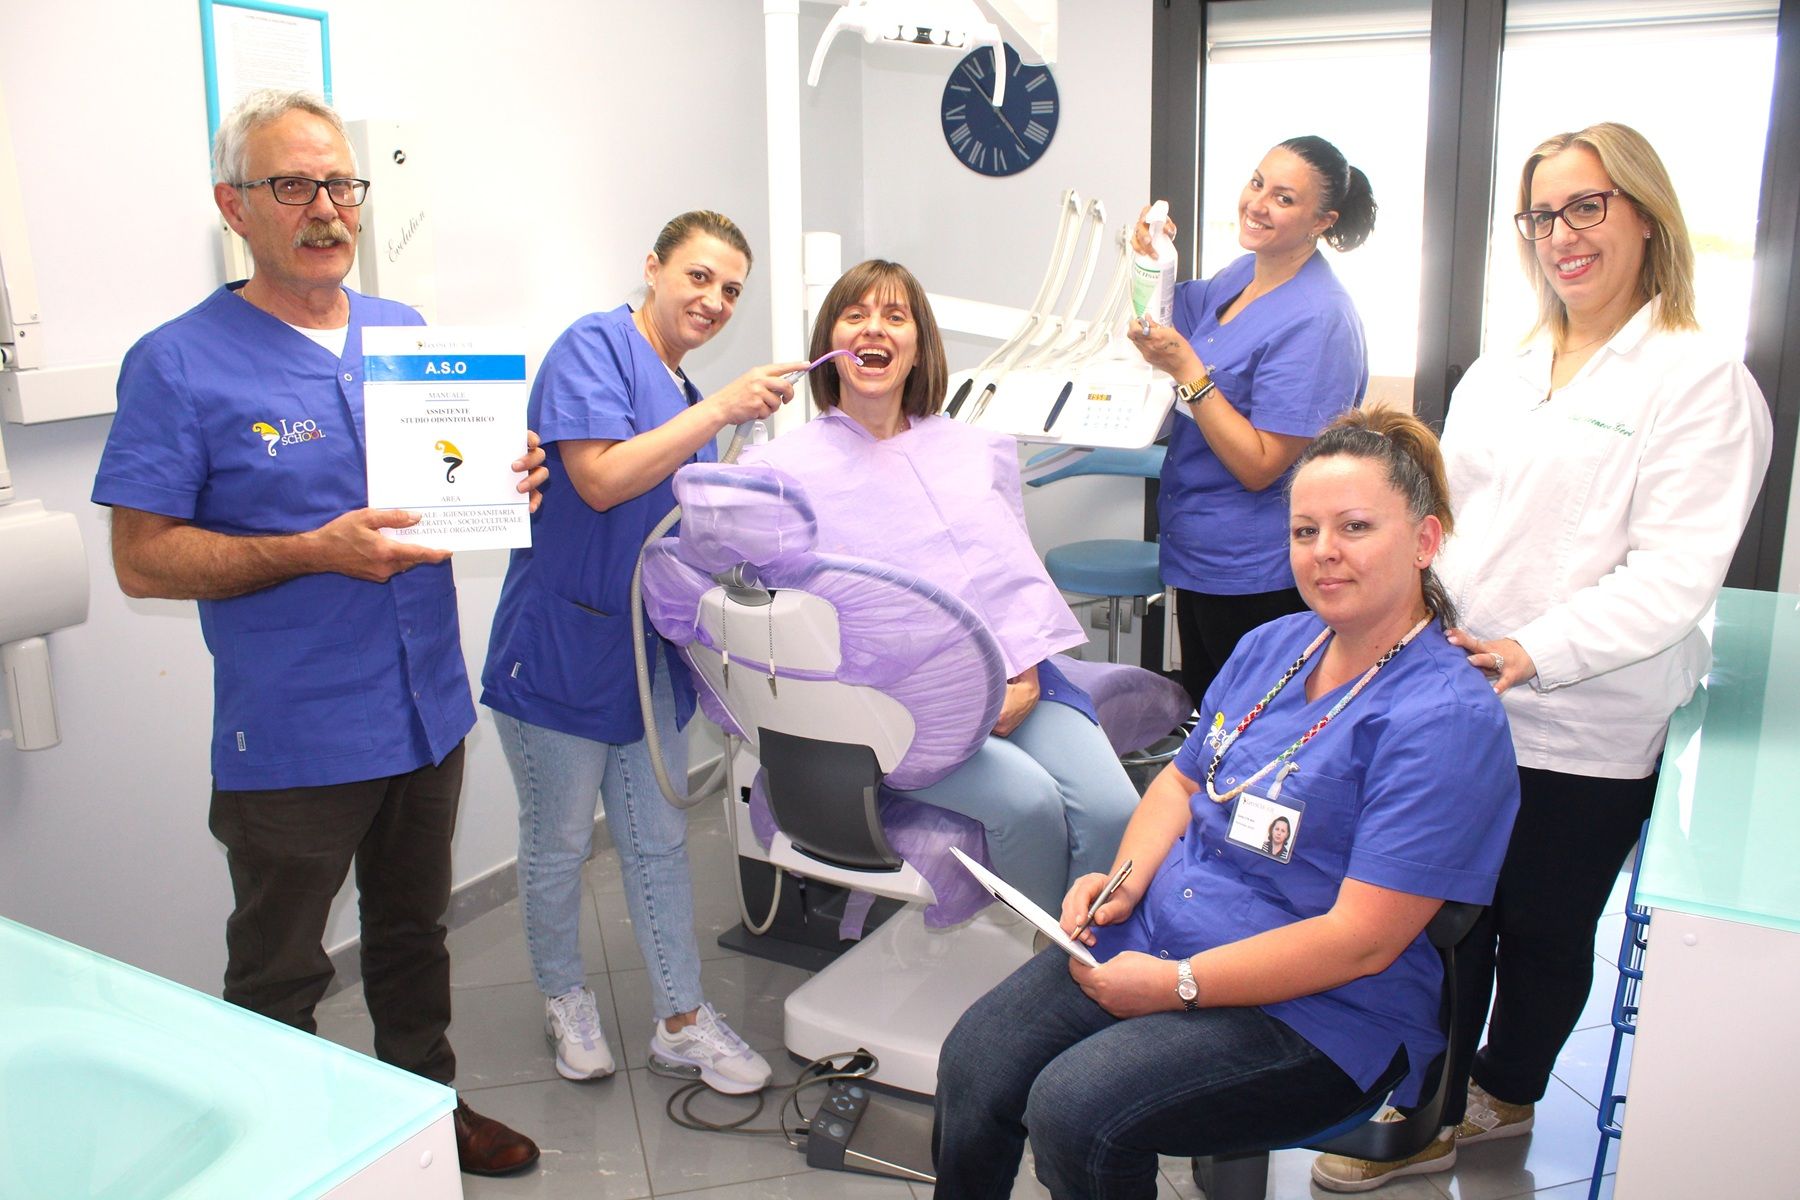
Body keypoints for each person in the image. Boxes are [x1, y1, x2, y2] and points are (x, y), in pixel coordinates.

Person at [91, 89, 546, 1176]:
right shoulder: (178, 362)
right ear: (234, 207)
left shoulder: (403, 333)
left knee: (413, 935)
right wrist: (310, 549)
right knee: (280, 968)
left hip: (425, 709)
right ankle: (285, 1159)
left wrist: (506, 476)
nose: (328, 209)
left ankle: (426, 1114)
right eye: (292, 186)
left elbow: (445, 486)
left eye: (341, 184)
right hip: (294, 734)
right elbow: (142, 559)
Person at [1313, 123, 1772, 1191]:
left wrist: (1533, 650)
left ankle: (1507, 1089)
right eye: (1541, 215)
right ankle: (1423, 1104)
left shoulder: (1699, 379)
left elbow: (1674, 577)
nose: (1561, 234)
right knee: (1439, 914)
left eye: (1586, 206)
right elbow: (1449, 525)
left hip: (1586, 720)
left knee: (1543, 929)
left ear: (1644, 215)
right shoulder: (1502, 371)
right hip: (1459, 697)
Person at [932, 409, 1520, 1200]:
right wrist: (1122, 884)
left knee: (1076, 1111)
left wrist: (1178, 984)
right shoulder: (1273, 648)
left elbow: (1360, 943)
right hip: (1164, 933)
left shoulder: (1444, 719)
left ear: (1424, 541)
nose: (1325, 551)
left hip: (1323, 1011)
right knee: (976, 1059)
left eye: (1355, 526)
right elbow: (1182, 783)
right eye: (1305, 531)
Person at [480, 212, 809, 1094]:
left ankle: (681, 1019)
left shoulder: (682, 389)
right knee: (557, 843)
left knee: (658, 841)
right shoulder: (593, 348)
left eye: (731, 289)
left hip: (644, 653)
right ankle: (565, 999)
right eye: (699, 277)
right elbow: (599, 479)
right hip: (561, 647)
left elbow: (678, 524)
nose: (715, 300)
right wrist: (721, 408)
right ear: (654, 267)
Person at [738, 260, 1140, 913]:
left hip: (1012, 677)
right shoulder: (780, 470)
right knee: (1029, 802)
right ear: (830, 342)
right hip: (898, 711)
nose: (875, 328)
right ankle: (1050, 962)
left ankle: (1080, 943)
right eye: (856, 314)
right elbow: (749, 586)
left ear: (919, 346)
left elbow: (1010, 576)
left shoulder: (973, 449)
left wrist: (1025, 676)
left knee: (1114, 808)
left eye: (895, 316)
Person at [1129, 135, 1375, 710]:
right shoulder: (1244, 274)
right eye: (1258, 183)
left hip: (1258, 572)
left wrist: (1188, 371)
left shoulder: (1319, 318)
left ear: (1322, 221)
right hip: (1200, 552)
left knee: (1253, 733)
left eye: (1284, 198)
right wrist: (1153, 261)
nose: (1258, 204)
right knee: (1210, 720)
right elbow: (1166, 322)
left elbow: (1262, 466)